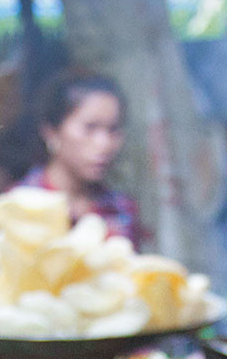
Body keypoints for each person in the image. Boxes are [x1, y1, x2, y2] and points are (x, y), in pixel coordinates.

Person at [16, 70, 141, 247]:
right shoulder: (20, 208)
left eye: (113, 130)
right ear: (51, 132)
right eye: (90, 128)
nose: (104, 144)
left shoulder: (120, 208)